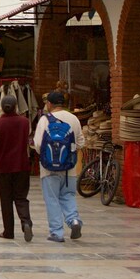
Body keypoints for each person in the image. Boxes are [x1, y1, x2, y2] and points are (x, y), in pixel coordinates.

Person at [32, 91, 84, 242]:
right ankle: (74, 220)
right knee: (68, 195)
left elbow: (38, 144)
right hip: (70, 168)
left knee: (52, 198)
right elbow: (81, 142)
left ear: (49, 104)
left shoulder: (45, 120)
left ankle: (57, 232)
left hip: (48, 169)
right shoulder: (74, 118)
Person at [0, 95, 33, 241]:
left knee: (6, 200)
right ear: (15, 106)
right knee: (21, 197)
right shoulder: (25, 122)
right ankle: (26, 223)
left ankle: (9, 231)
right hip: (22, 165)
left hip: (3, 167)